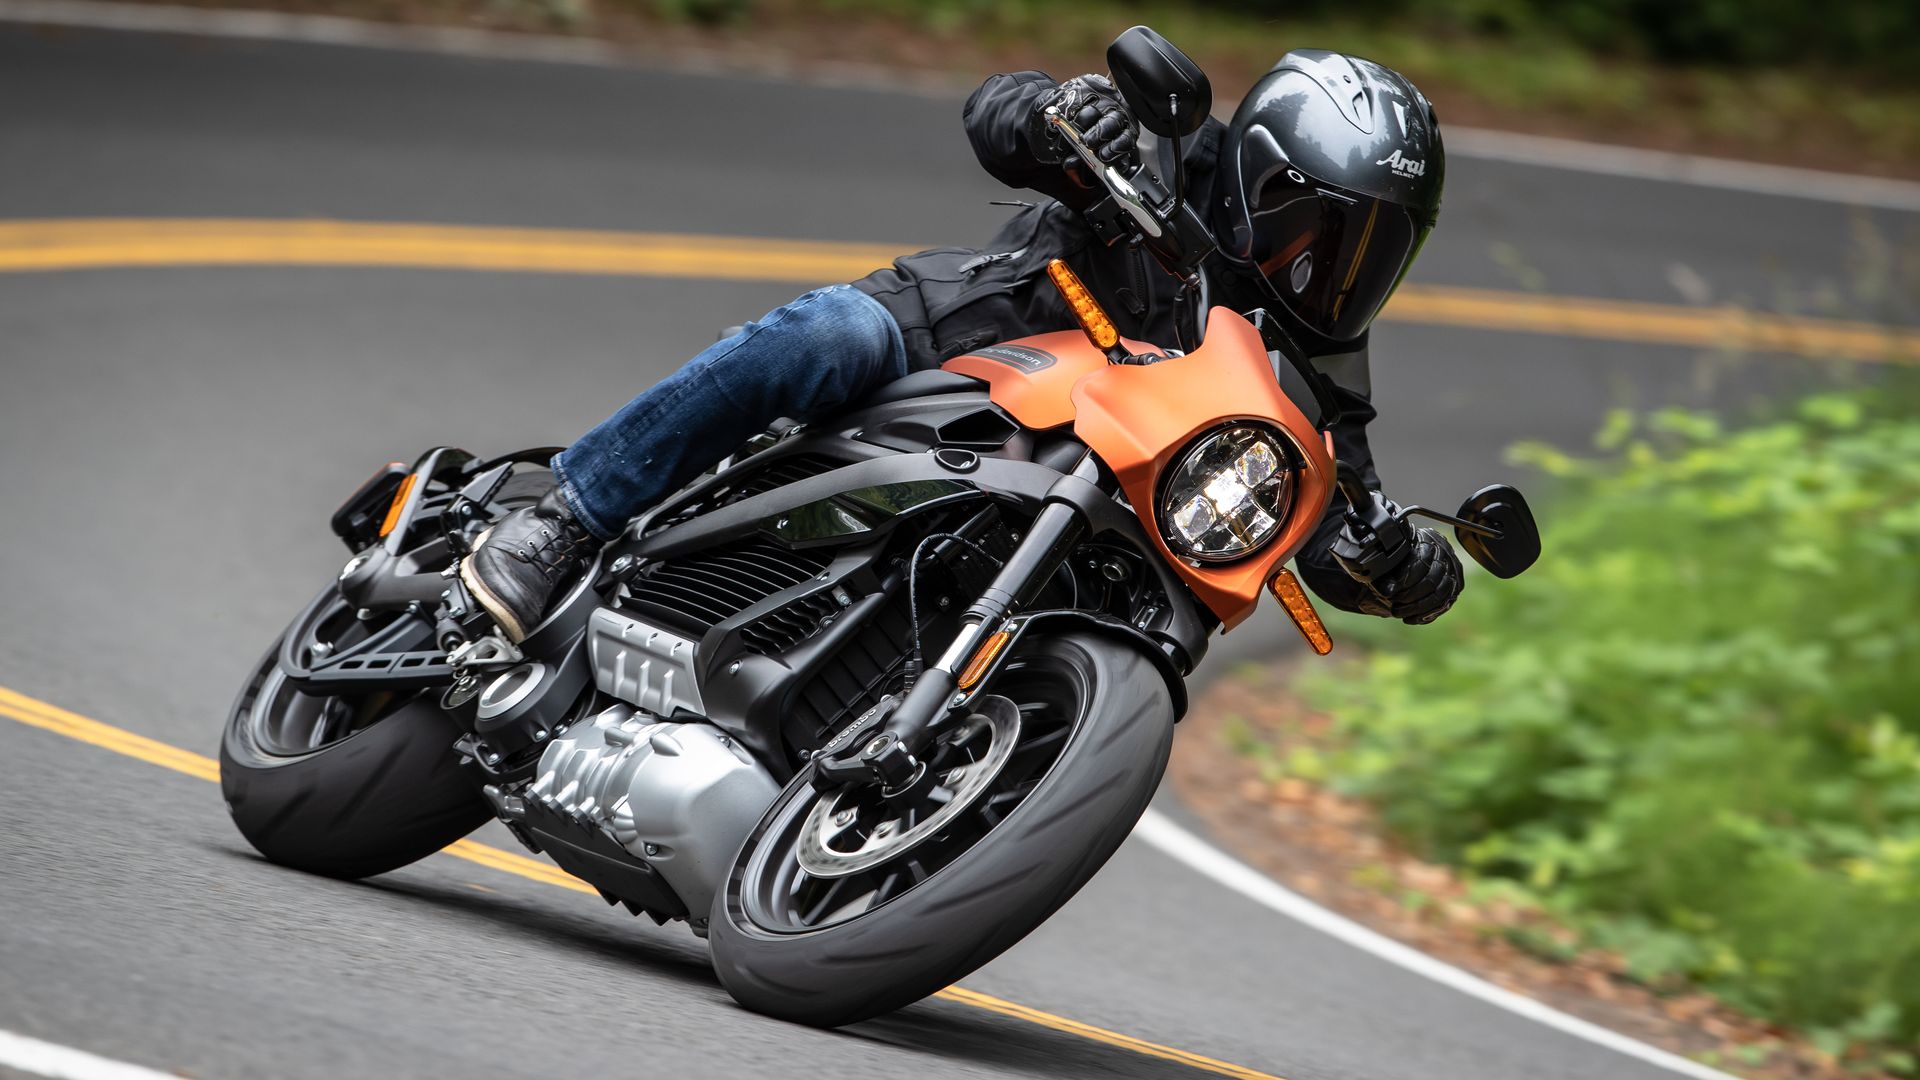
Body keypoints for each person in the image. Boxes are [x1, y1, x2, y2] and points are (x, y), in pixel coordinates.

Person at [459, 47, 1465, 643]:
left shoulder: (1322, 348)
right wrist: (1062, 117)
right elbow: (1001, 114)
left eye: (1378, 246)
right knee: (826, 335)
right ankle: (568, 520)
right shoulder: (1171, 153)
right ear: (1267, 176)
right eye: (1327, 226)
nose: (1338, 265)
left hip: (1088, 501)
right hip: (977, 349)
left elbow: (1322, 499)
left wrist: (1399, 564)